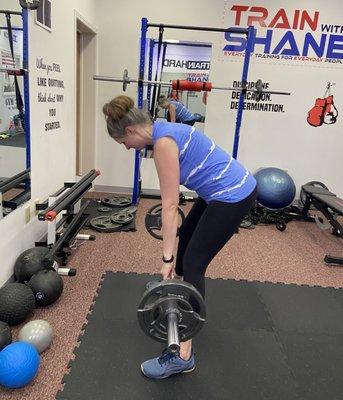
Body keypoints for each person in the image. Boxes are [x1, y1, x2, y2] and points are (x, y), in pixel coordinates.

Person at [102, 95, 257, 380]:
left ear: (130, 131)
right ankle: (180, 297)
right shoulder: (162, 127)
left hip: (233, 195)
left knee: (194, 263)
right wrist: (174, 255)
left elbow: (170, 206)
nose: (126, 148)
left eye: (123, 142)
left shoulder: (163, 144)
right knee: (185, 248)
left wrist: (166, 259)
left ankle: (183, 355)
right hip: (217, 193)